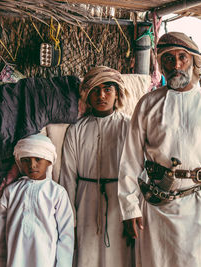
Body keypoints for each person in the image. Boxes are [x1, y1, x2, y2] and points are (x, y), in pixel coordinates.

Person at [118, 31, 201, 267]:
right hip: (160, 206)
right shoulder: (148, 104)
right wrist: (130, 208)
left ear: (194, 62)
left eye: (183, 57)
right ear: (161, 65)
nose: (177, 64)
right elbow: (130, 160)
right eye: (169, 59)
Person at [59, 66, 131, 267]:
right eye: (95, 90)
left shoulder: (128, 126)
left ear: (117, 94)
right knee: (86, 255)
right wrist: (69, 220)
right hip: (85, 203)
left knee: (120, 257)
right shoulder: (76, 130)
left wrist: (132, 212)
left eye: (108, 89)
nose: (101, 95)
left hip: (120, 203)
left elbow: (136, 172)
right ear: (87, 95)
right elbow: (67, 177)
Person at [0, 134, 74, 267]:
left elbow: (66, 236)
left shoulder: (57, 193)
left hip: (45, 260)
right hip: (15, 259)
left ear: (49, 161)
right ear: (20, 162)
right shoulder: (11, 191)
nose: (32, 165)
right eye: (26, 160)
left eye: (38, 159)